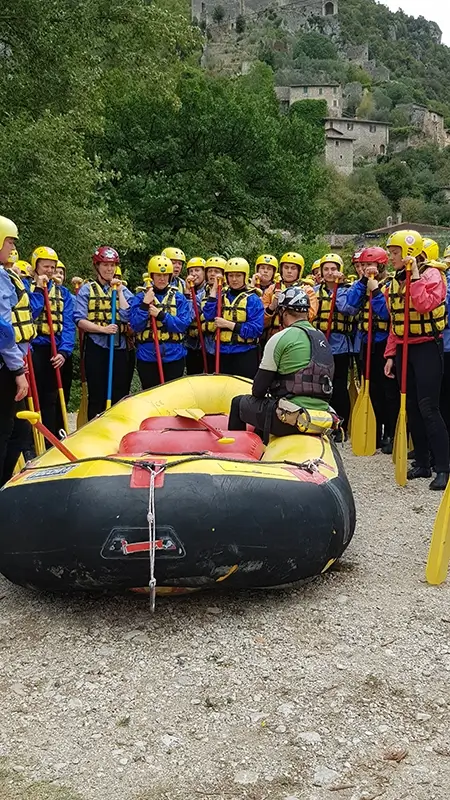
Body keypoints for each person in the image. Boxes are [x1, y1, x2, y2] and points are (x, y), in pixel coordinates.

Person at [384, 230, 449, 490]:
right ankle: (422, 462)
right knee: (410, 406)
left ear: (409, 252)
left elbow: (423, 305)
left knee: (428, 407)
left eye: (395, 252)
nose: (391, 257)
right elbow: (395, 321)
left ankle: (443, 466)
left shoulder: (433, 275)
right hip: (404, 348)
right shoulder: (395, 280)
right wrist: (390, 355)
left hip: (427, 348)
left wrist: (416, 277)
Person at [228, 286, 334, 441]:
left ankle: (237, 450)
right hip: (322, 416)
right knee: (267, 405)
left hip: (290, 419)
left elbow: (258, 390)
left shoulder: (280, 337)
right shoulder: (322, 338)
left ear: (283, 312)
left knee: (238, 403)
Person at [346, 247, 399, 453]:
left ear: (382, 265)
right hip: (366, 343)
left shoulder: (390, 284)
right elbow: (350, 305)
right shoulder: (361, 284)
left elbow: (386, 314)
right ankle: (374, 432)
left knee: (389, 392)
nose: (367, 268)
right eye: (364, 265)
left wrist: (375, 291)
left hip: (385, 343)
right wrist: (362, 283)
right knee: (372, 389)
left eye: (371, 265)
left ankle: (391, 433)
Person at [74, 246, 132, 419]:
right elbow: (80, 320)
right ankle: (94, 427)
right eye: (105, 265)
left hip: (119, 346)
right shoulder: (87, 289)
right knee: (97, 394)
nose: (109, 269)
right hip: (96, 345)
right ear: (97, 266)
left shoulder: (123, 290)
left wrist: (119, 292)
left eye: (112, 265)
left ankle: (117, 428)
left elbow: (128, 315)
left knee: (119, 393)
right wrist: (103, 329)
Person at [26, 246, 75, 435]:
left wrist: (64, 352)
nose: (49, 271)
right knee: (33, 395)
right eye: (45, 266)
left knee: (51, 397)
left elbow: (68, 324)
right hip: (33, 348)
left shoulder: (63, 293)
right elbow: (29, 314)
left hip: (55, 349)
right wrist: (39, 290)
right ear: (36, 266)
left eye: (52, 267)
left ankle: (50, 438)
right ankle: (31, 439)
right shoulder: (26, 288)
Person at [129, 254, 190, 388]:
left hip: (174, 355)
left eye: (165, 275)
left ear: (170, 276)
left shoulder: (179, 298)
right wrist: (144, 305)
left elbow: (183, 324)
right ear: (152, 276)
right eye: (158, 275)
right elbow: (135, 325)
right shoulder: (140, 297)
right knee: (151, 393)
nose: (162, 279)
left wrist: (161, 315)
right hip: (148, 356)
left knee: (172, 394)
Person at [0, 216, 29, 486]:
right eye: (9, 241)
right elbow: (3, 332)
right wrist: (18, 369)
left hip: (8, 362)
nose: (12, 247)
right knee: (10, 431)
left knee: (18, 431)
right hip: (5, 367)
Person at [202, 257, 264, 379]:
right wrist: (214, 289)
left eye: (238, 276)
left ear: (245, 276)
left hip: (245, 353)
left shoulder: (253, 299)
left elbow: (256, 330)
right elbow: (208, 315)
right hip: (222, 352)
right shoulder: (221, 296)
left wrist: (228, 324)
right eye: (231, 275)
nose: (234, 279)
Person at [314, 253, 355, 435]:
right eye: (326, 269)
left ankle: (341, 426)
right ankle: (322, 421)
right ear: (321, 271)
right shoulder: (314, 291)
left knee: (338, 387)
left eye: (333, 269)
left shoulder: (347, 290)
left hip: (340, 345)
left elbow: (349, 309)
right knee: (319, 385)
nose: (330, 272)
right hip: (319, 344)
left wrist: (337, 290)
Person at [263, 252, 318, 342]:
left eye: (293, 268)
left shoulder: (307, 290)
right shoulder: (271, 289)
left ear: (299, 271)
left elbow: (310, 315)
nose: (289, 271)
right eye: (286, 267)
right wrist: (272, 306)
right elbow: (261, 319)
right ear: (281, 269)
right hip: (273, 335)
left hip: (298, 335)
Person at [184, 256, 207, 375]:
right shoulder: (185, 290)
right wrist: (187, 293)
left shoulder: (208, 291)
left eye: (197, 270)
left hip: (206, 343)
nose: (193, 274)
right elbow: (187, 315)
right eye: (191, 271)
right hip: (191, 343)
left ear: (204, 273)